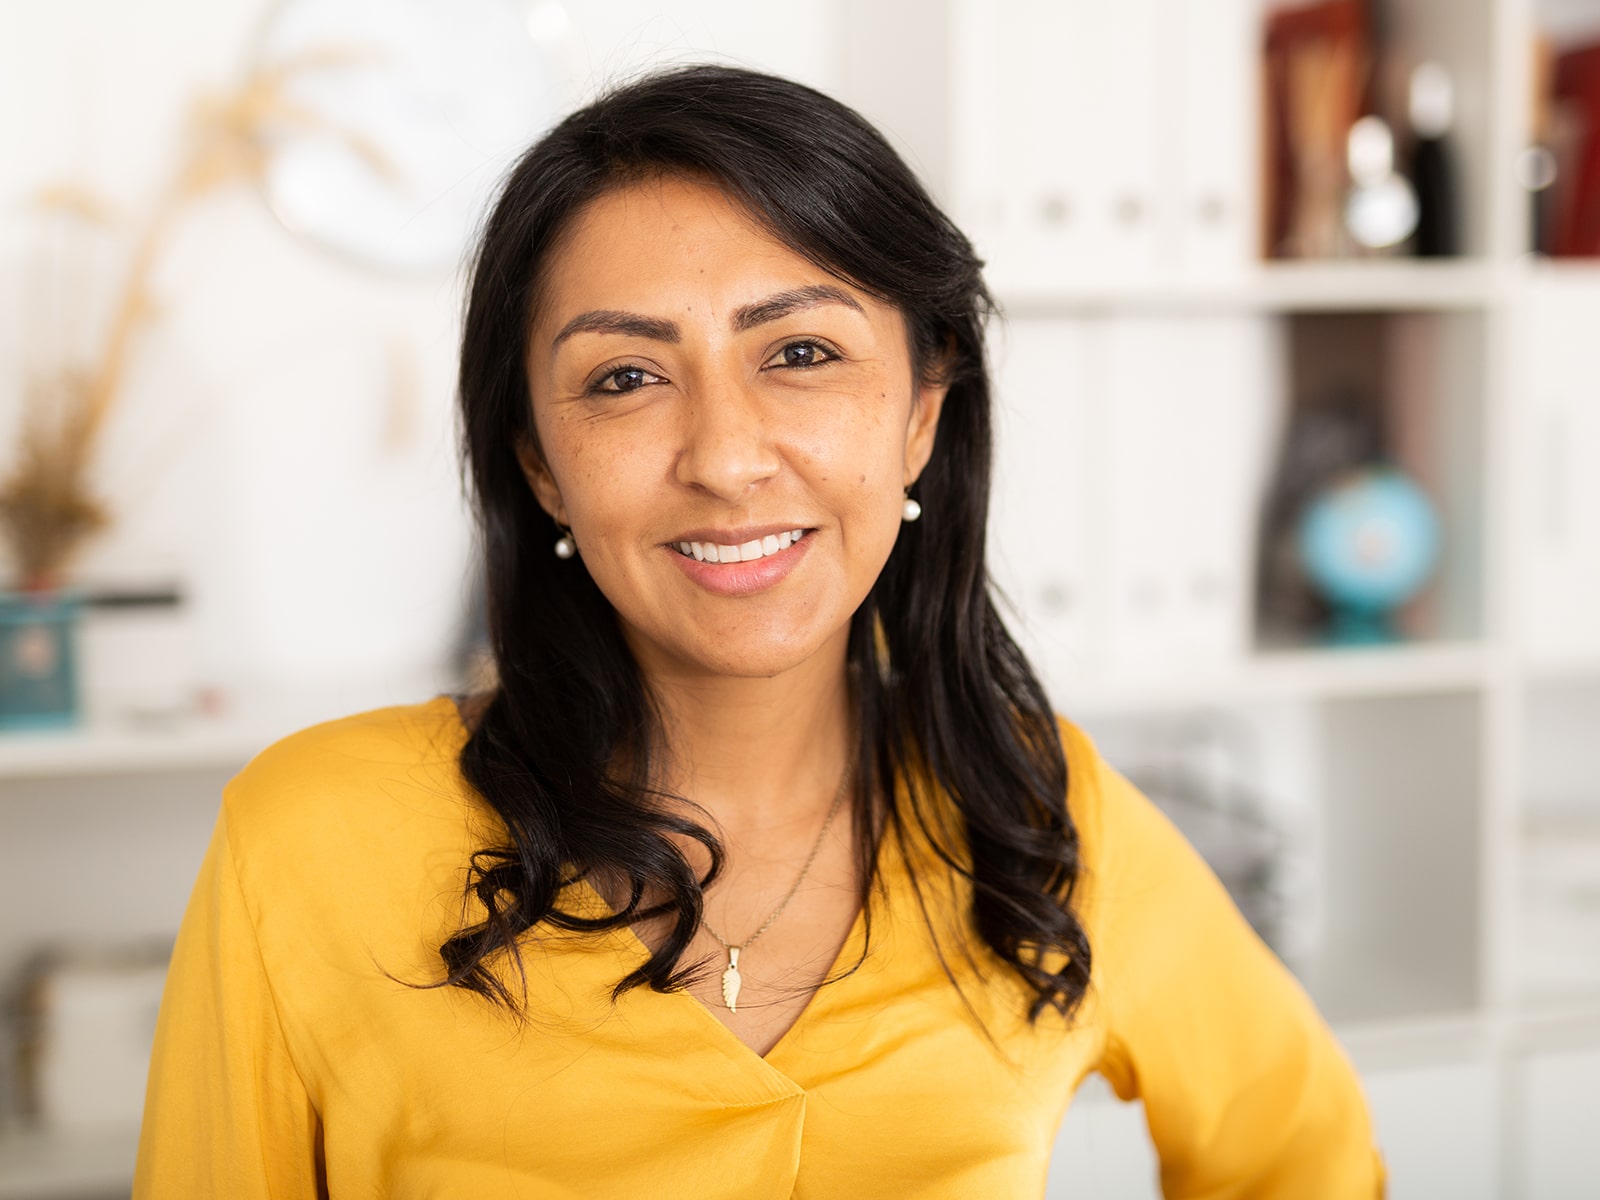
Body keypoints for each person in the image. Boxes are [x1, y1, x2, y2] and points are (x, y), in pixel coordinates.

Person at [134, 64, 1387, 1197]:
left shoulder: (1036, 811)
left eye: (799, 351)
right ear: (540, 464)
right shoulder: (305, 842)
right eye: (624, 378)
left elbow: (1305, 1158)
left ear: (919, 416)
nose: (728, 459)